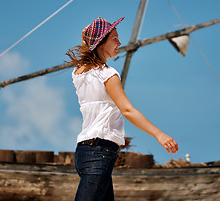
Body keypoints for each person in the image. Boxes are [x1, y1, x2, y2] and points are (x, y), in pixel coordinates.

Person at [66, 17, 179, 201]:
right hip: (99, 151)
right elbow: (127, 110)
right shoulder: (108, 75)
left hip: (84, 153)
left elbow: (87, 48)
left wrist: (85, 35)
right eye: (115, 39)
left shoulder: (79, 73)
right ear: (101, 43)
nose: (119, 43)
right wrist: (159, 134)